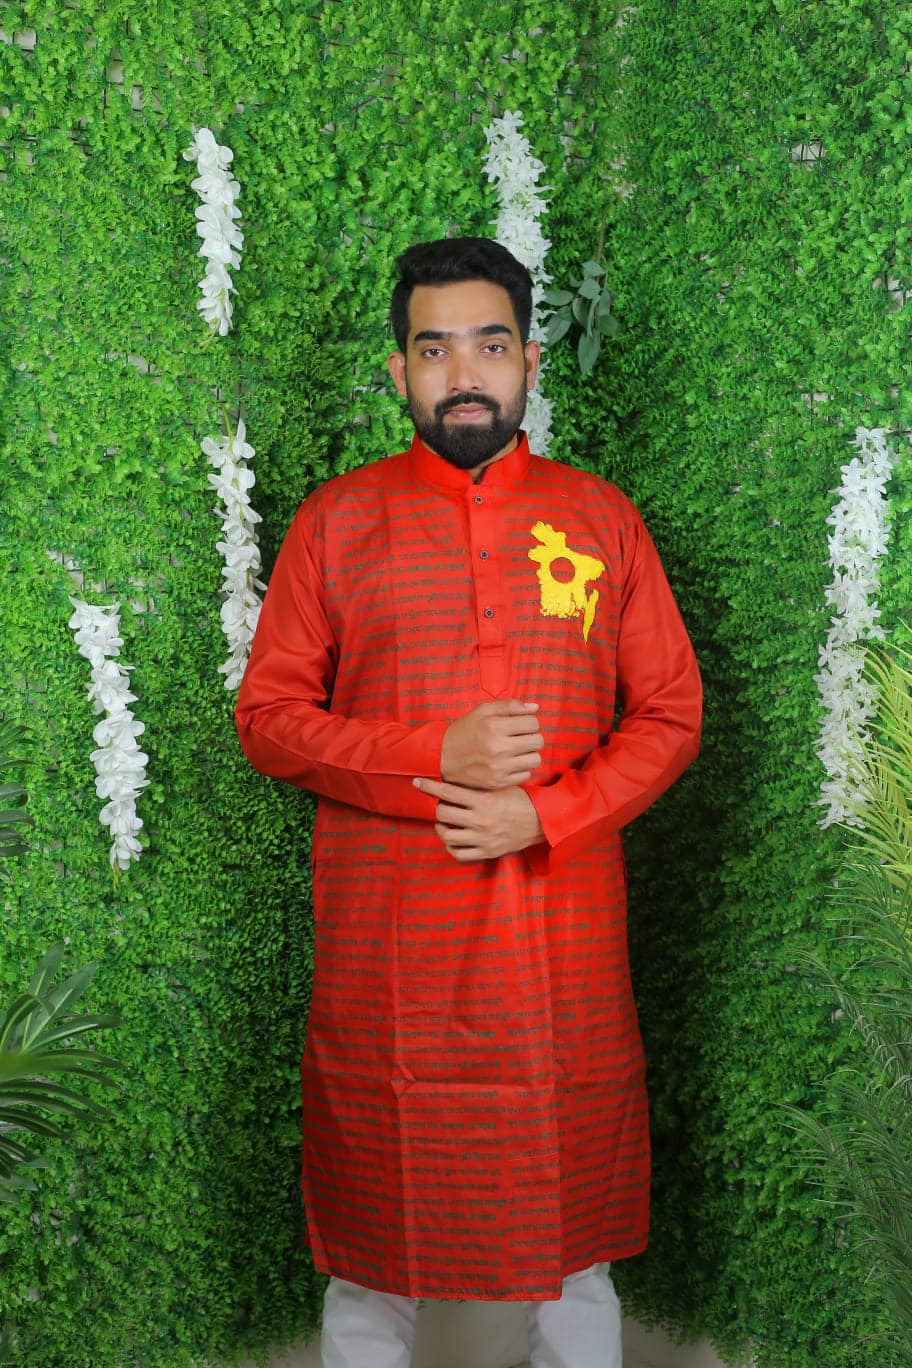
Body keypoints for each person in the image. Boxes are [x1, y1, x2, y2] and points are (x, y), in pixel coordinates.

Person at [235, 236, 702, 1368]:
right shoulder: (336, 522)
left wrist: (546, 815)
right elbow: (270, 719)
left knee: (575, 1254)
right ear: (399, 370)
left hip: (561, 938)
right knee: (369, 1256)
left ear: (530, 360)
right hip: (390, 949)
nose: (464, 374)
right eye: (435, 349)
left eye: (489, 346)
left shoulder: (601, 519)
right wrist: (429, 753)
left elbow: (671, 714)